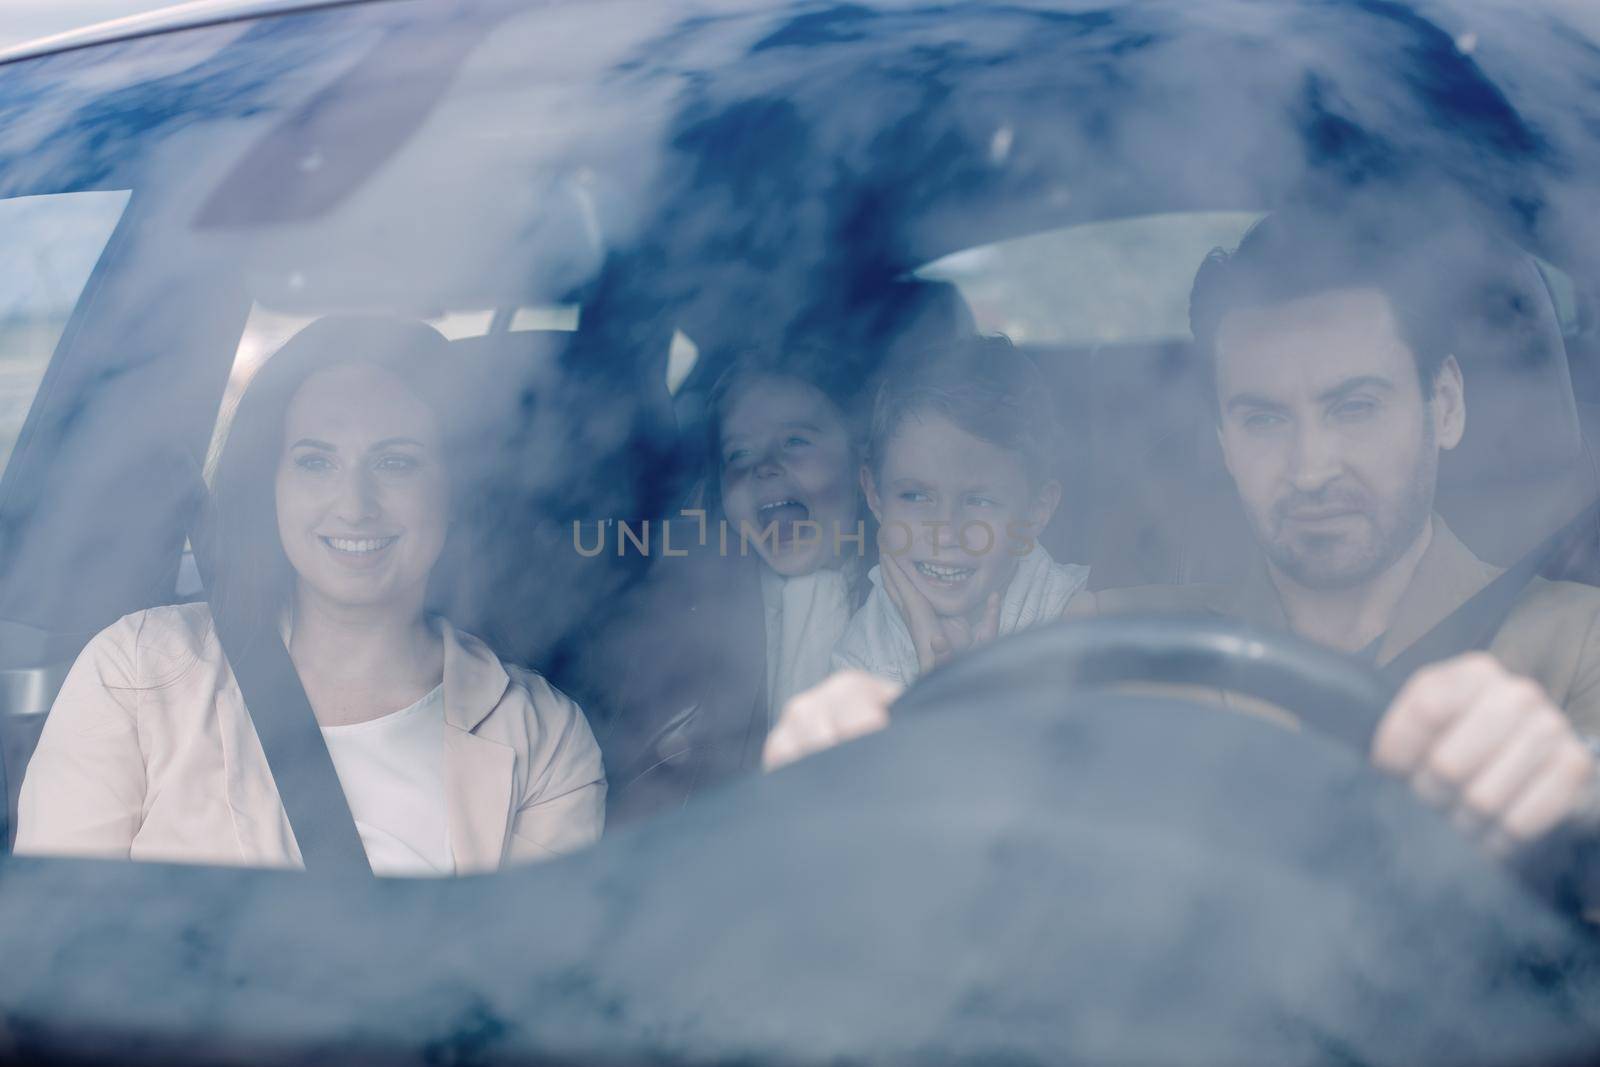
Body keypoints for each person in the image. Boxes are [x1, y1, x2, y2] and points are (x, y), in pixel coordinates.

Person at [768, 209, 1600, 864]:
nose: (1311, 467)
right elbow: (979, 883)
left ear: (1444, 406)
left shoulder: (1579, 643)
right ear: (1223, 442)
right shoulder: (1107, 638)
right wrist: (864, 759)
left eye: (1355, 406)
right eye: (1264, 418)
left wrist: (1568, 804)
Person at [15, 316, 606, 875]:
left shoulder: (546, 739)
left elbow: (530, 974)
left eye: (396, 462)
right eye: (315, 462)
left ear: (454, 491)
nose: (354, 504)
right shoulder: (137, 670)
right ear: (268, 487)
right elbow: (57, 949)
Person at [588, 350, 873, 824]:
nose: (762, 468)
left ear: (861, 461)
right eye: (737, 454)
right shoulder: (685, 628)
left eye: (796, 441)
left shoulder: (916, 603)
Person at [832, 336, 1089, 687]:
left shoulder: (1076, 622)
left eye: (979, 501)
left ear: (1036, 511)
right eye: (915, 496)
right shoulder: (861, 656)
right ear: (875, 496)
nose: (946, 532)